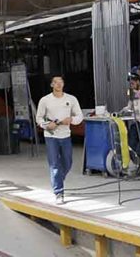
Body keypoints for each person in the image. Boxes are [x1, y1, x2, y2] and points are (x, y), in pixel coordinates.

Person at [35, 76, 83, 204]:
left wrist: (71, 120)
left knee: (68, 162)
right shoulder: (45, 100)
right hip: (51, 136)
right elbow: (39, 118)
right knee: (54, 164)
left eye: (61, 82)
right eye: (56, 82)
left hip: (65, 135)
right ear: (52, 85)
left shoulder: (71, 99)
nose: (59, 84)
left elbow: (79, 116)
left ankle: (58, 179)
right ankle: (59, 192)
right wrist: (47, 125)